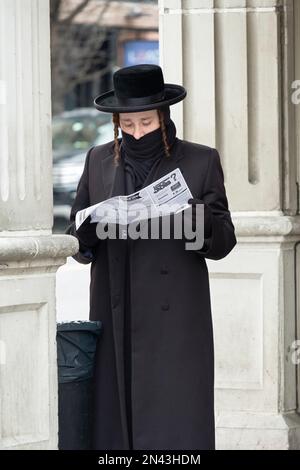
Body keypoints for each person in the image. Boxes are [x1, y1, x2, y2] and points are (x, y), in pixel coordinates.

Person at [65, 64, 237, 450]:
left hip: (175, 317)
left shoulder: (200, 160)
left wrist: (195, 219)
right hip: (116, 308)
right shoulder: (97, 161)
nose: (138, 132)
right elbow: (76, 240)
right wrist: (87, 231)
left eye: (146, 122)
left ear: (164, 115)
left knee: (175, 415)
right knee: (114, 418)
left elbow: (225, 240)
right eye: (128, 124)